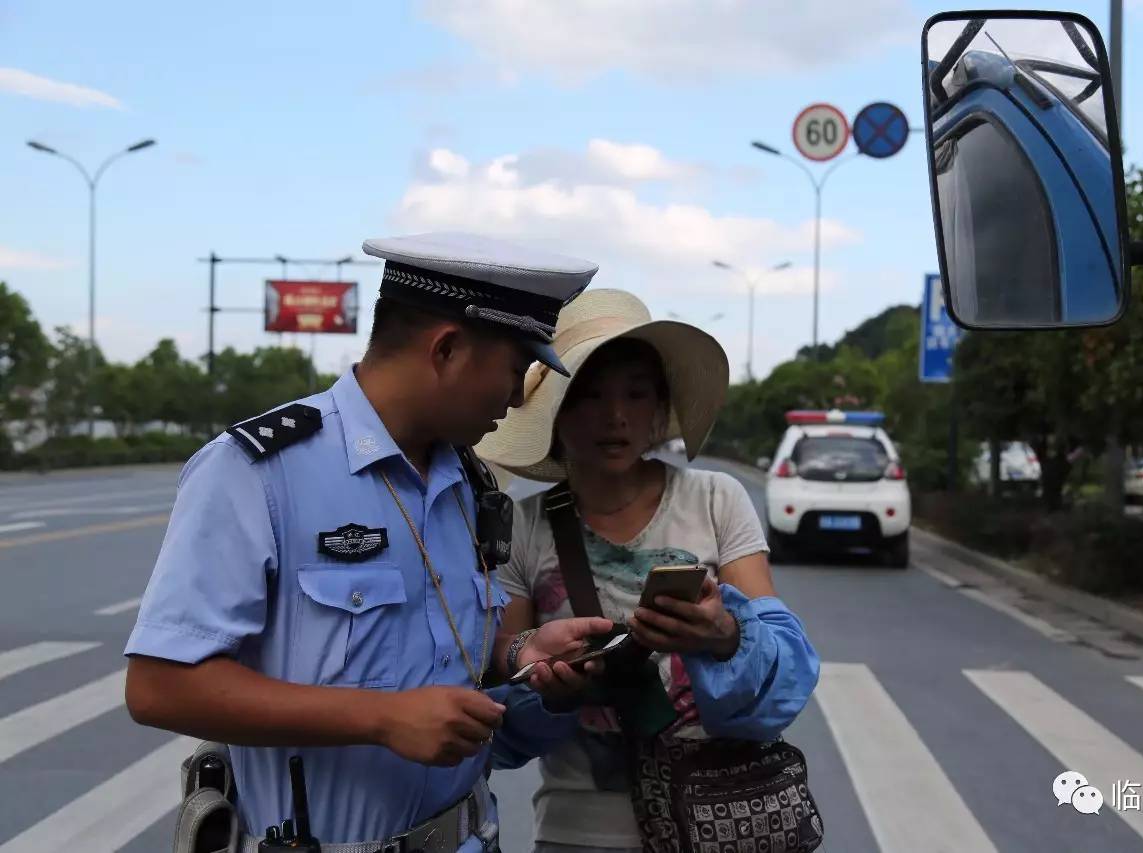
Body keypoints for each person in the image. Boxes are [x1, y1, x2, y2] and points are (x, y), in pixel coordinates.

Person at [123, 232, 619, 852]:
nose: (517, 398)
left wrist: (518, 650)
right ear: (447, 350)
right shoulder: (259, 472)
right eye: (515, 370)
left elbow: (430, 642)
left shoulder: (465, 478)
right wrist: (383, 719)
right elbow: (159, 687)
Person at [476, 289, 821, 852]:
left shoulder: (716, 499)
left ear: (660, 408)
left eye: (636, 394)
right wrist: (553, 688)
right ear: (557, 413)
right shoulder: (522, 527)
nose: (615, 416)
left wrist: (724, 634)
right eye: (590, 395)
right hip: (578, 833)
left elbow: (783, 676)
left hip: (724, 824)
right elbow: (502, 696)